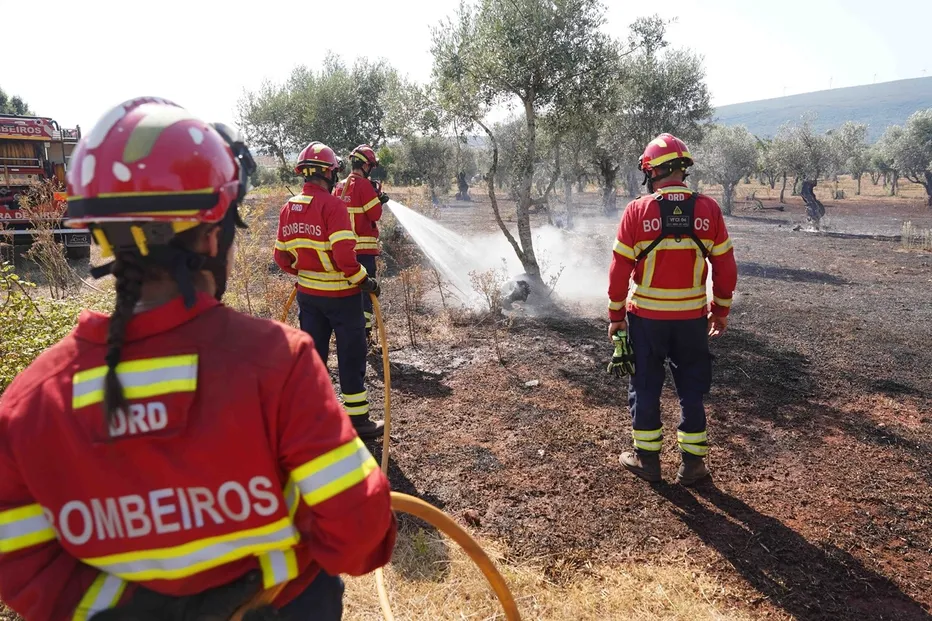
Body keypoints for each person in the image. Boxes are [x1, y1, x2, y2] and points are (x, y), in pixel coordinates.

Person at [0, 98, 396, 621]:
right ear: (214, 235)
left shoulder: (27, 405)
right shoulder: (278, 365)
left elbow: (22, 570)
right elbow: (360, 537)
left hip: (308, 296)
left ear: (102, 235)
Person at [607, 133, 737, 486]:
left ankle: (647, 461)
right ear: (683, 170)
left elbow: (619, 270)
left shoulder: (637, 211)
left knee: (646, 386)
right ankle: (693, 466)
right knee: (691, 388)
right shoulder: (708, 210)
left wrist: (616, 316)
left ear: (651, 171)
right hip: (692, 320)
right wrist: (720, 309)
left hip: (646, 320)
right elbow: (726, 268)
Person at [276, 142, 384, 440]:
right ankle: (358, 420)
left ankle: (316, 417)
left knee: (314, 356)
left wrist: (307, 274)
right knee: (351, 354)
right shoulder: (332, 206)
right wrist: (365, 280)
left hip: (308, 298)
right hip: (342, 298)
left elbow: (281, 258)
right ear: (328, 173)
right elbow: (346, 259)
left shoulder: (289, 208)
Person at [334, 145, 387, 337]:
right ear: (366, 166)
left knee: (346, 292)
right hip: (364, 252)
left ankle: (347, 331)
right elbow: (375, 213)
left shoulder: (339, 186)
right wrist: (379, 199)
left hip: (343, 252)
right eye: (370, 166)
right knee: (366, 294)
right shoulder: (365, 186)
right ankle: (365, 336)